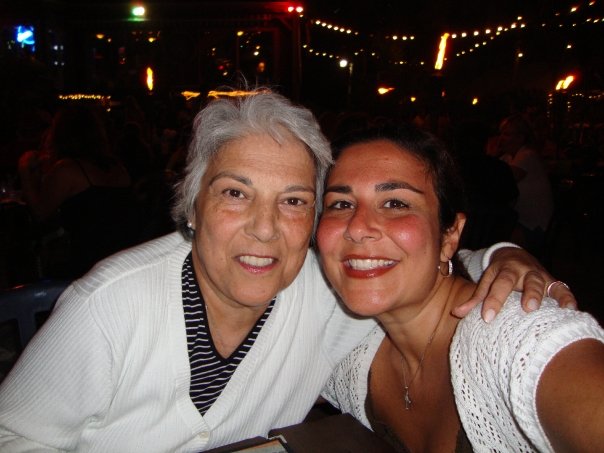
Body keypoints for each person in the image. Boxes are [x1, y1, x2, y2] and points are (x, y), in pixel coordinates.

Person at [0, 89, 575, 452]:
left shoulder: (328, 291)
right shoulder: (110, 303)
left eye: (295, 201)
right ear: (193, 205)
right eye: (235, 193)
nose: (265, 228)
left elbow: (415, 262)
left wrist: (501, 255)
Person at [318, 124, 604, 452]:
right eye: (340, 204)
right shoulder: (353, 348)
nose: (357, 228)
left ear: (450, 235)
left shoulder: (518, 338)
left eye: (395, 203)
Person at [17, 103, 143, 277]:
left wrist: (24, 170)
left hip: (88, 265)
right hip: (120, 258)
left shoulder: (67, 169)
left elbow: (40, 212)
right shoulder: (117, 167)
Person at [489, 113, 554, 257]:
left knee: (494, 241)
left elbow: (503, 183)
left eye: (507, 134)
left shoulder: (527, 155)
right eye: (501, 133)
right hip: (518, 220)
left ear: (520, 137)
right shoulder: (506, 158)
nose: (501, 139)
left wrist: (490, 157)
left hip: (532, 225)